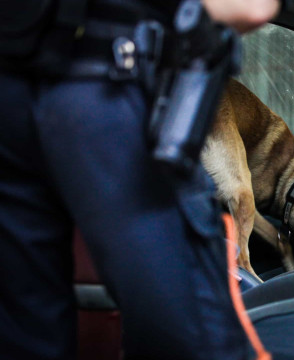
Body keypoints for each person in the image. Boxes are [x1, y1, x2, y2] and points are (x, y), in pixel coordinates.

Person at [0, 0, 279, 359]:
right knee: (193, 332)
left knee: (27, 331)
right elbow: (248, 8)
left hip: (9, 86)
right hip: (107, 83)